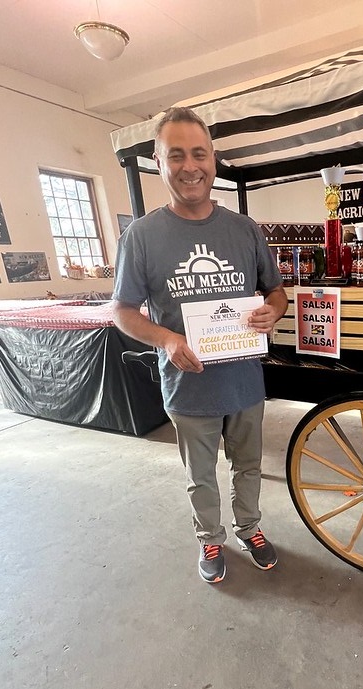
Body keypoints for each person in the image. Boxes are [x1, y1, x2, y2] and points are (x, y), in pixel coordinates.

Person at [112, 106, 288, 584]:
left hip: (245, 381)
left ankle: (249, 527)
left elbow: (276, 291)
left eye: (199, 153)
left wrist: (275, 309)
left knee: (249, 465)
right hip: (189, 387)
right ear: (158, 161)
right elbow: (122, 311)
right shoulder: (142, 237)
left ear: (213, 158)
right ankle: (211, 537)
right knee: (201, 474)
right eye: (176, 156)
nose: (190, 166)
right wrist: (167, 339)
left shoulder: (245, 230)